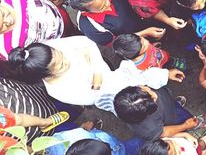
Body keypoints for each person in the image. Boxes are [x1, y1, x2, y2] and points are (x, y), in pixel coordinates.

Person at [7, 36, 183, 114]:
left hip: (111, 76)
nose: (66, 61)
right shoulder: (58, 91)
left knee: (149, 87)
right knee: (139, 101)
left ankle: (166, 102)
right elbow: (95, 96)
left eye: (60, 56)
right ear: (47, 75)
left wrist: (96, 74)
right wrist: (95, 68)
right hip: (113, 93)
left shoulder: (51, 47)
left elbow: (86, 43)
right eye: (60, 65)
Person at [65, 0, 166, 46]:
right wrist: (145, 34)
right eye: (102, 7)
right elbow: (118, 44)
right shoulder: (89, 27)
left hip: (145, 17)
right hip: (133, 40)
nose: (108, 2)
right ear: (85, 11)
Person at [0, 0, 74, 60]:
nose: (9, 21)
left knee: (74, 30)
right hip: (56, 48)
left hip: (59, 15)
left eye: (3, 14)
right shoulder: (6, 48)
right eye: (1, 27)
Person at [113, 85, 206, 142]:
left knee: (172, 104)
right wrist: (185, 125)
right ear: (146, 114)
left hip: (167, 105)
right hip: (171, 118)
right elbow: (164, 132)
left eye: (147, 90)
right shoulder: (148, 129)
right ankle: (192, 124)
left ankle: (174, 104)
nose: (155, 94)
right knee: (183, 116)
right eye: (153, 100)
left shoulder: (125, 99)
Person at [112, 33, 187, 72]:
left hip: (160, 55)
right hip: (157, 69)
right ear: (137, 56)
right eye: (144, 46)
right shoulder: (138, 68)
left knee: (167, 58)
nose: (147, 42)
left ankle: (172, 61)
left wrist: (153, 46)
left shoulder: (139, 45)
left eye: (142, 39)